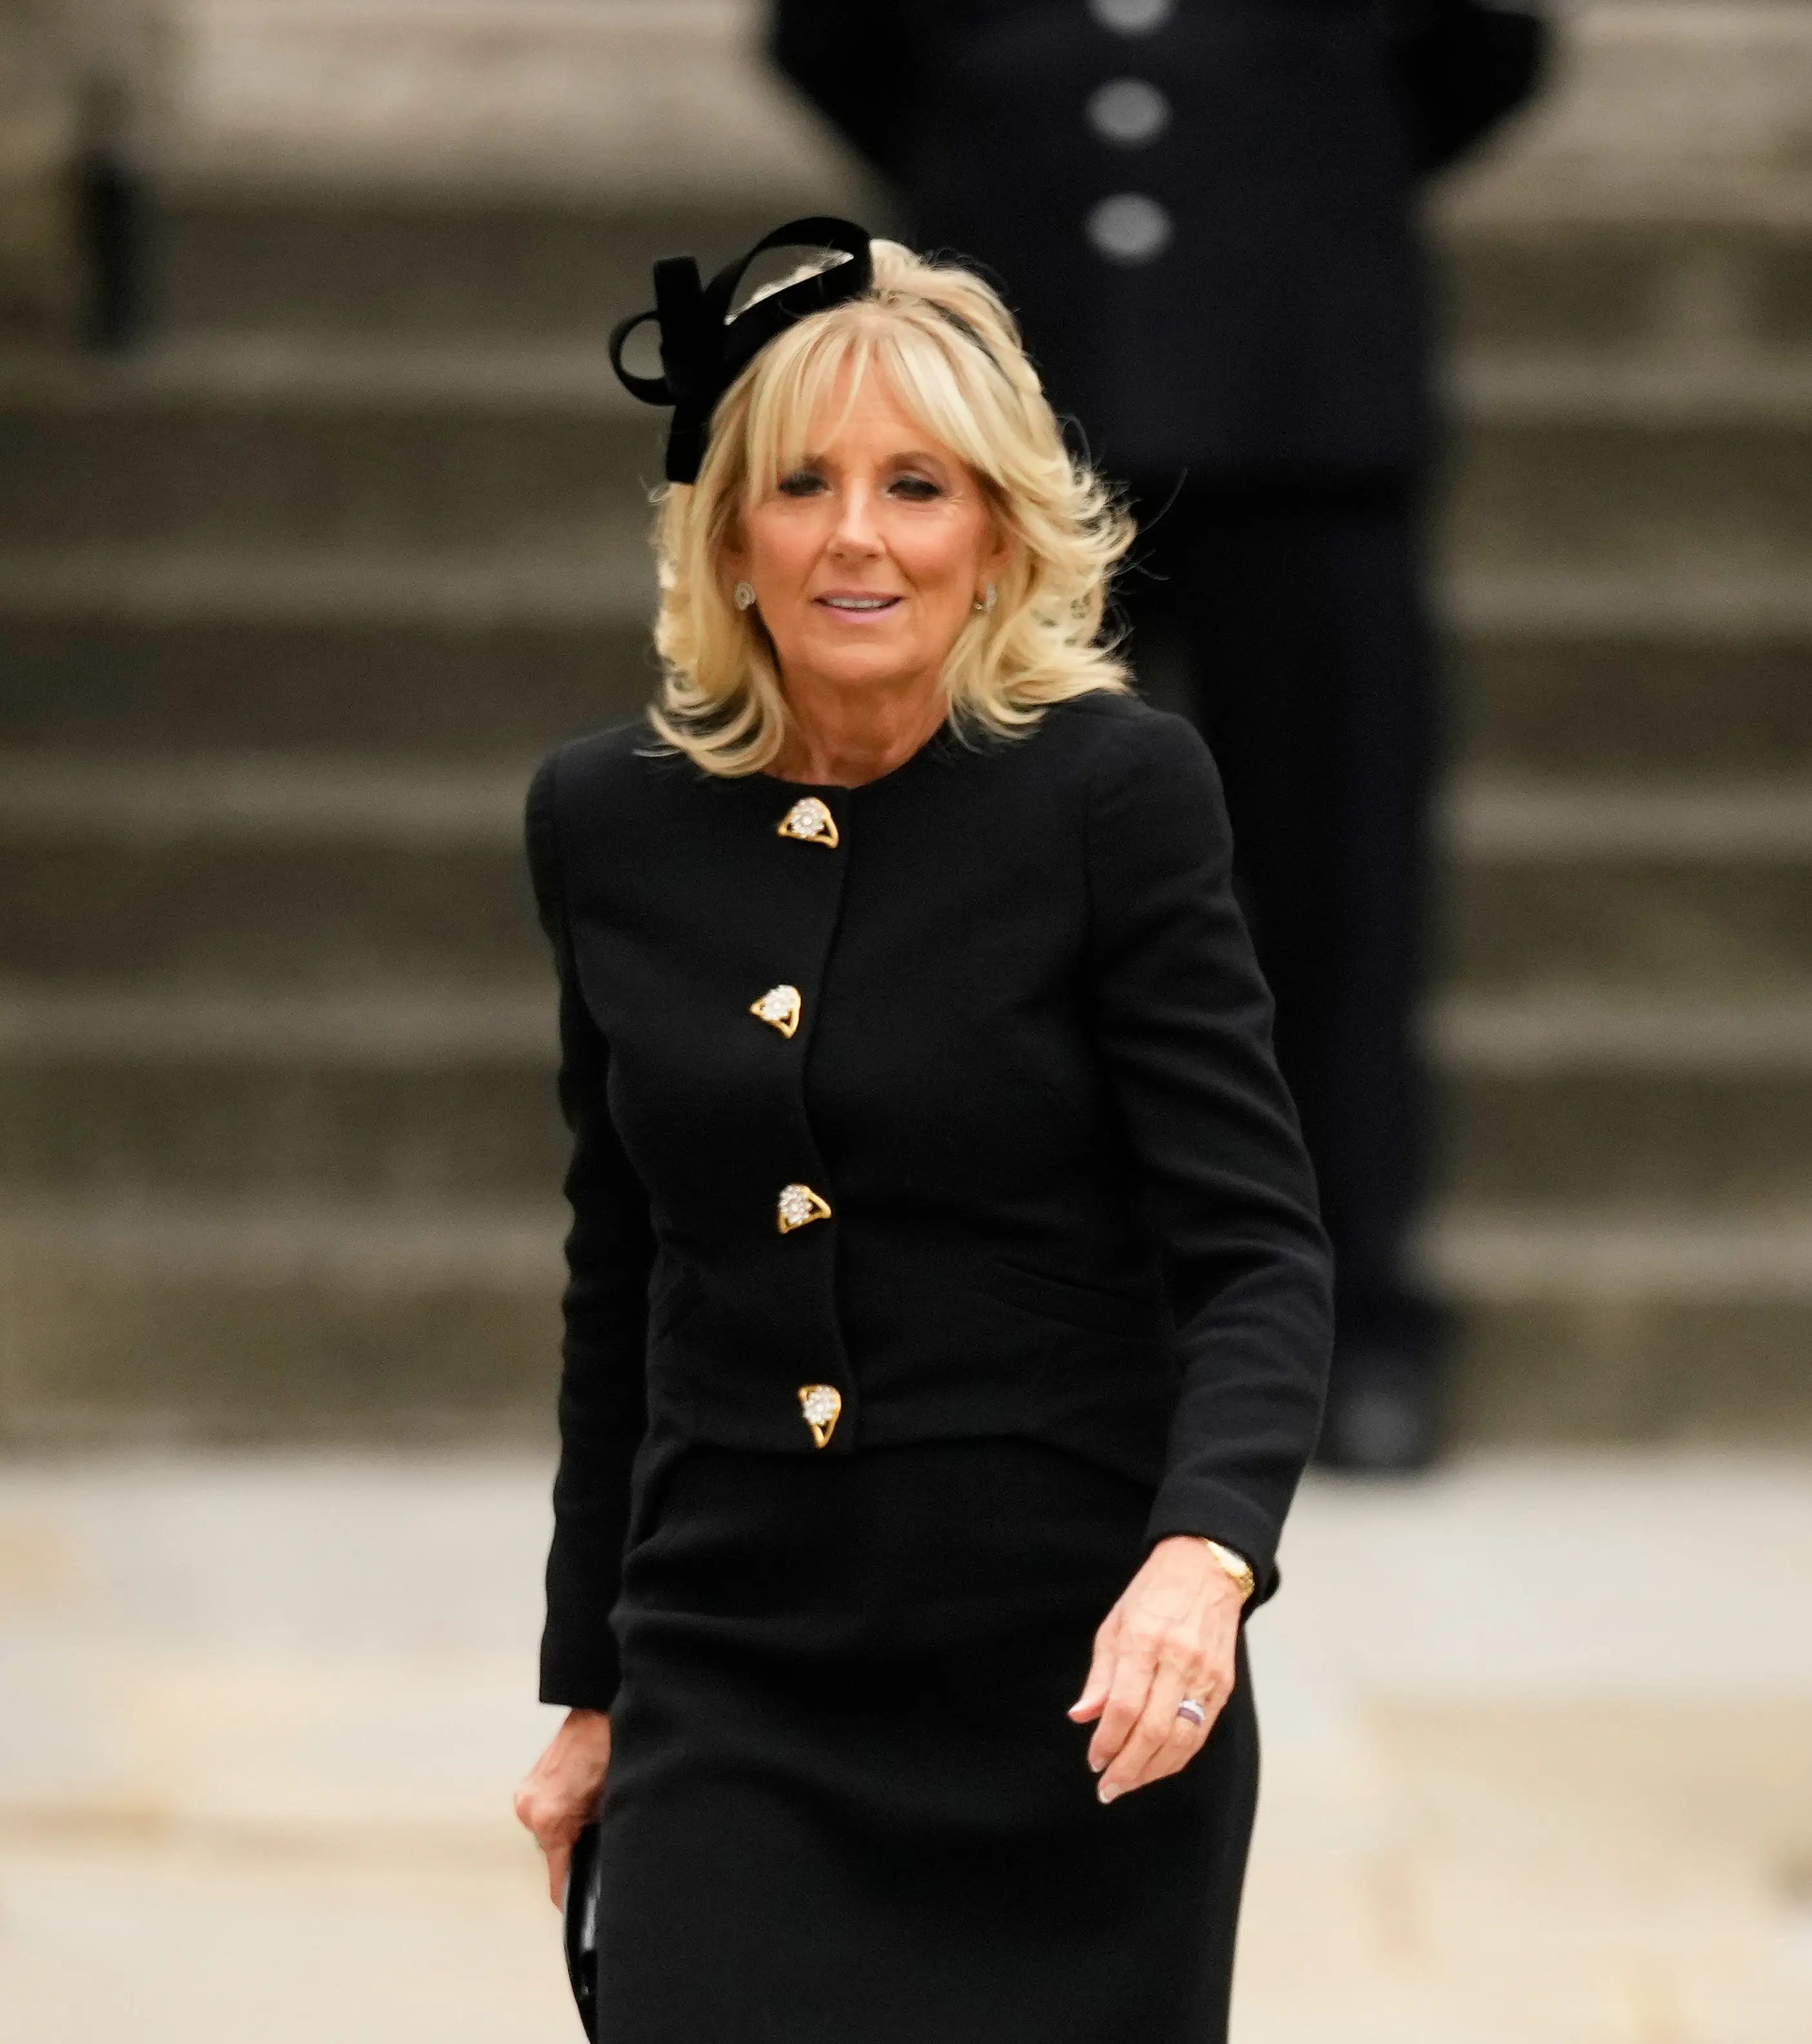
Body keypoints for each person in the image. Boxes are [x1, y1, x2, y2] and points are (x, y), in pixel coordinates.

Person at [506, 218, 1332, 2043]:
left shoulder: (1120, 796)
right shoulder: (605, 823)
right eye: (802, 483)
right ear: (729, 529)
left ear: (999, 539)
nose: (856, 535)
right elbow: (619, 1273)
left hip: (1073, 1681)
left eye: (916, 486)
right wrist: (592, 1685)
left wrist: (1206, 1561)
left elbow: (1258, 1251)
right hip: (737, 1671)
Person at [770, 0, 1548, 1470]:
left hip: (1309, 422)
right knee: (969, 890)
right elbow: (834, 44)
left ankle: (1346, 1325)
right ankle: (981, 1317)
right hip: (1013, 430)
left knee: (1334, 901)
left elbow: (1483, 51)